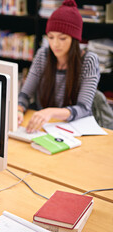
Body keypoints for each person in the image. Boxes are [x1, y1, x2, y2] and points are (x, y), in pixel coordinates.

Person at [18, 0, 100, 133]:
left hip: (74, 129)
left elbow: (84, 108)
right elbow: (25, 95)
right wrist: (19, 109)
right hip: (44, 126)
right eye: (50, 37)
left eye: (62, 38)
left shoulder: (88, 60)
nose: (55, 44)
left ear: (74, 40)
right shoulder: (43, 55)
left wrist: (51, 112)